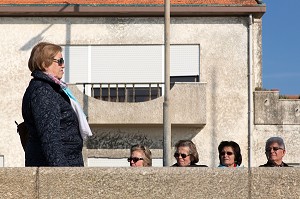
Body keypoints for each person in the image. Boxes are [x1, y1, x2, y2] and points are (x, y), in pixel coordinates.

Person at [22, 42, 92, 167]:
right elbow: (49, 137)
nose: (63, 65)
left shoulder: (51, 88)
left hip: (66, 164)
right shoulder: (43, 91)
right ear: (44, 64)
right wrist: (61, 174)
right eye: (60, 61)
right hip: (59, 168)